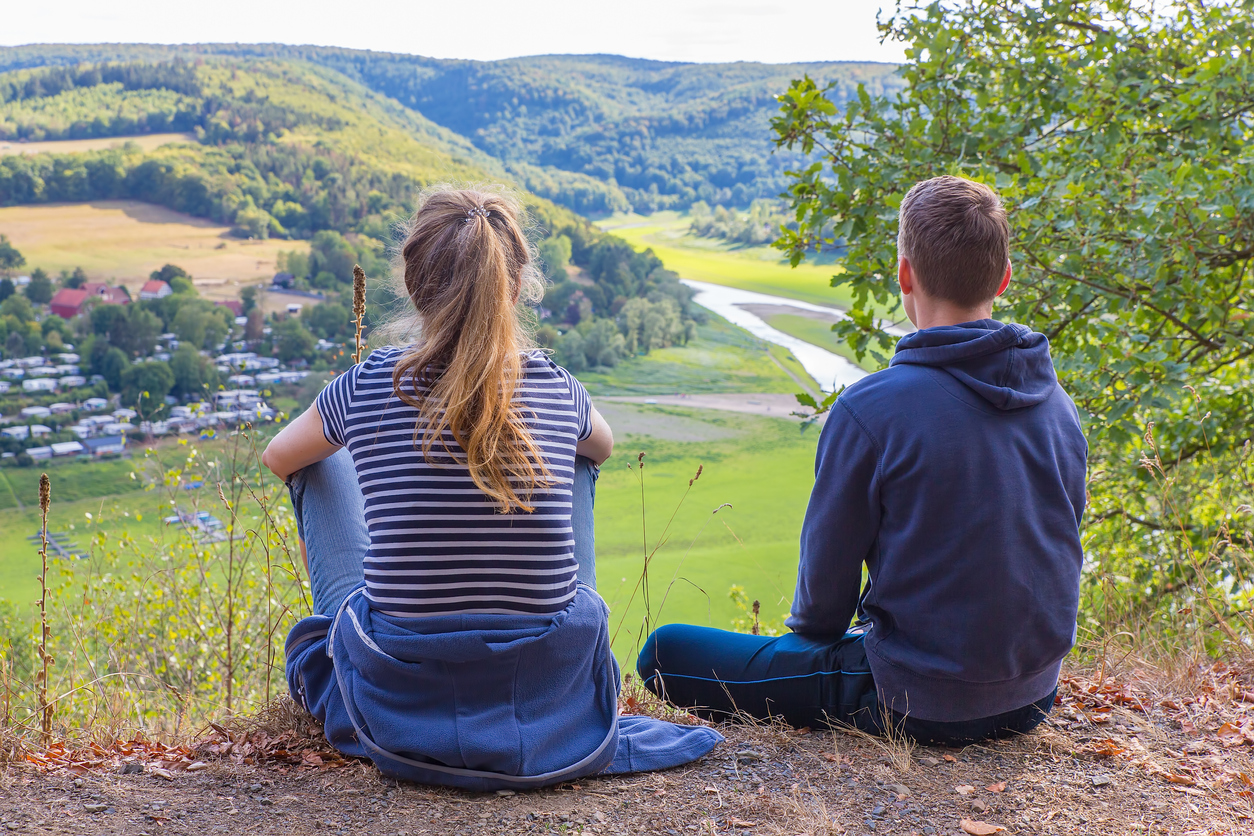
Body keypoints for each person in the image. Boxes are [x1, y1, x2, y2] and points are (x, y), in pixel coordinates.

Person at [263, 186, 721, 790]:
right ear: (516, 282)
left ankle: (365, 632)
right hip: (543, 690)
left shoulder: (369, 382)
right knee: (579, 458)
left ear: (413, 281)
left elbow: (279, 457)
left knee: (316, 463)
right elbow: (602, 447)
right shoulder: (558, 386)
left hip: (401, 689)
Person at [636, 176, 1088, 746]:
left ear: (904, 275)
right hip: (1033, 696)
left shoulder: (872, 408)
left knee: (664, 653)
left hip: (914, 702)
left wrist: (818, 645)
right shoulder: (1057, 403)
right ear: (1003, 278)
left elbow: (823, 608)